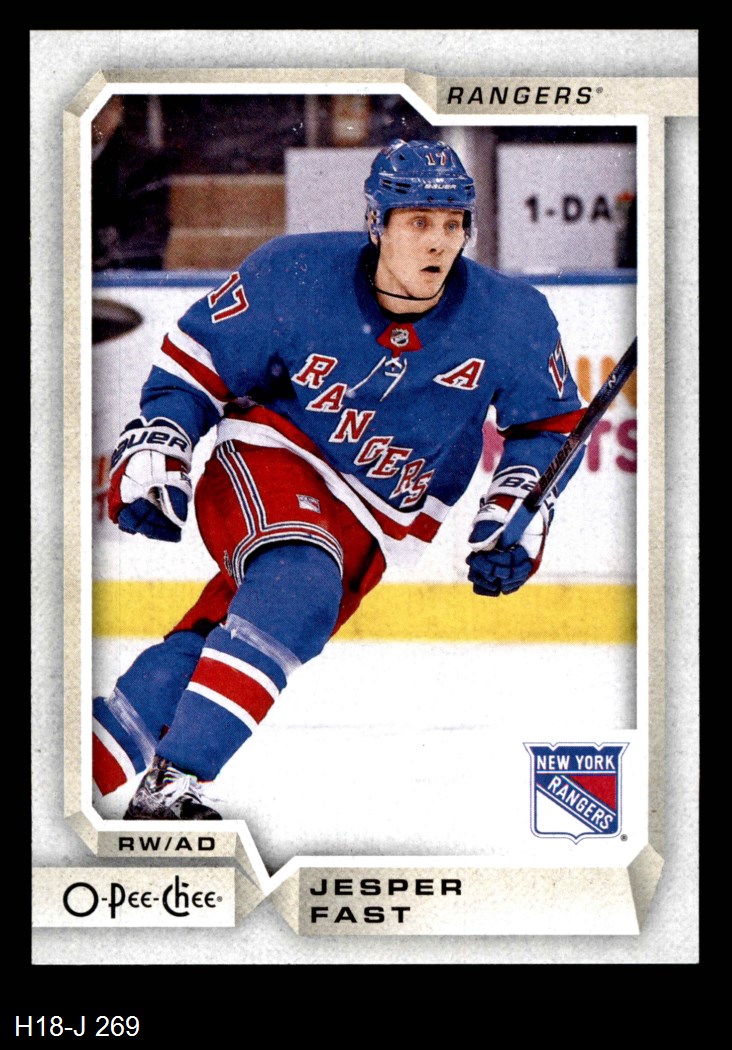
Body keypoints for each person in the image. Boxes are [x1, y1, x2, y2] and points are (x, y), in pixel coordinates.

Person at [92, 138, 585, 820]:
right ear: (376, 223)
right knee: (299, 584)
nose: (437, 241)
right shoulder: (295, 272)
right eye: (418, 221)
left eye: (452, 224)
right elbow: (198, 359)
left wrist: (516, 508)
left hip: (379, 518)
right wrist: (166, 432)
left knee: (229, 641)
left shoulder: (511, 318)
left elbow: (547, 427)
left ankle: (80, 766)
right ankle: (173, 786)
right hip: (271, 451)